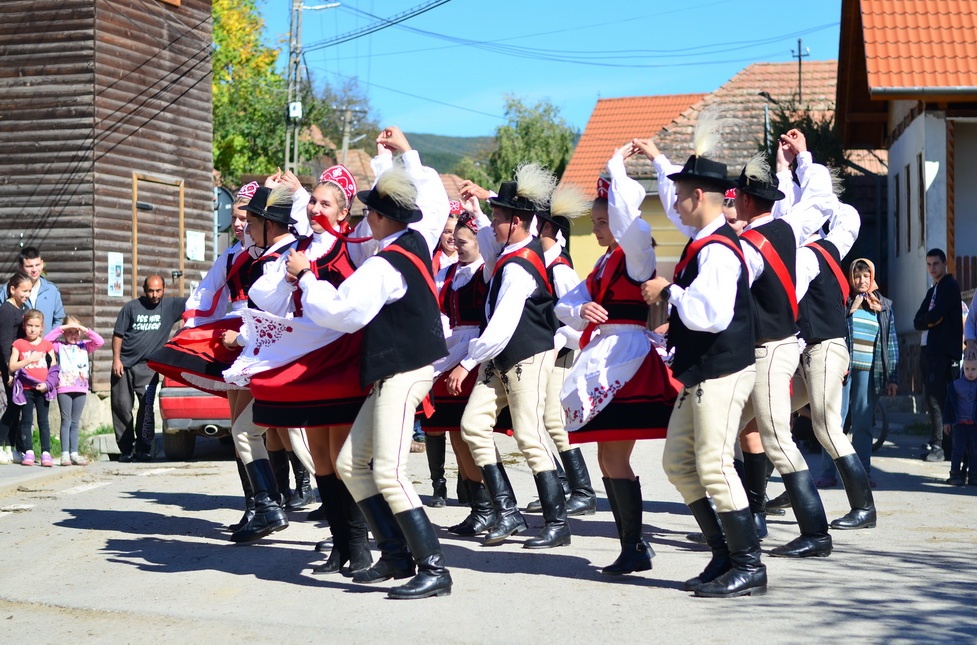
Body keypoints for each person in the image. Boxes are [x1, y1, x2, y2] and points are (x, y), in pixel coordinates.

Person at [293, 127, 453, 599]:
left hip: (403, 373)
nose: (366, 219)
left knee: (389, 471)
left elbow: (343, 312)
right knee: (350, 462)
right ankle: (395, 554)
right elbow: (431, 200)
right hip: (396, 373)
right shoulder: (415, 240)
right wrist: (404, 157)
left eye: (370, 213)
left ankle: (434, 568)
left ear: (381, 219)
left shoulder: (385, 264)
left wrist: (306, 279)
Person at [640, 113, 764, 598]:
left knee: (713, 464)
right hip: (703, 372)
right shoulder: (704, 243)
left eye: (678, 195)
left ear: (697, 196)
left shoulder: (717, 249)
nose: (673, 203)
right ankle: (724, 554)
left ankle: (748, 564)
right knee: (678, 462)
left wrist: (668, 291)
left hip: (722, 370)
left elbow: (711, 316)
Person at [557, 145, 677, 575]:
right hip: (606, 354)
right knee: (607, 458)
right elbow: (565, 304)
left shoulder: (637, 254)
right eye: (594, 222)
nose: (596, 229)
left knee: (615, 457)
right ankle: (632, 545)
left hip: (628, 358)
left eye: (602, 222)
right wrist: (582, 308)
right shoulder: (604, 262)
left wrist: (616, 171)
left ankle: (638, 545)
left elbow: (633, 222)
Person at [451, 163, 571, 550]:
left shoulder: (521, 266)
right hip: (503, 357)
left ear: (517, 222)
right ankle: (507, 512)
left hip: (525, 354)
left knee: (529, 435)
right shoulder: (509, 251)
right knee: (473, 425)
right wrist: (478, 205)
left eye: (499, 218)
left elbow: (502, 324)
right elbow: (489, 240)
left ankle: (557, 522)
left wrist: (467, 361)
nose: (492, 226)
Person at [791, 204, 878, 531]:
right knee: (770, 418)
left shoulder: (813, 253)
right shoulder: (823, 251)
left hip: (823, 349)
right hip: (808, 351)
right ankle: (786, 491)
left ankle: (864, 507)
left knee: (827, 427)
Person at [816, 258, 898, 490]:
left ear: (872, 277)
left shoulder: (883, 306)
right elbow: (832, 330)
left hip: (869, 372)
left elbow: (891, 342)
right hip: (843, 370)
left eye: (866, 276)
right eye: (857, 276)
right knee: (834, 422)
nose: (861, 280)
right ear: (851, 278)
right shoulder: (843, 301)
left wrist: (893, 378)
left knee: (863, 423)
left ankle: (863, 474)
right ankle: (828, 473)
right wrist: (847, 311)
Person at [111, 275, 186, 462]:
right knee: (121, 407)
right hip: (124, 366)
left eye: (158, 290)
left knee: (146, 408)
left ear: (164, 288)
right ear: (144, 290)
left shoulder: (170, 306)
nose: (154, 295)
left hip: (149, 368)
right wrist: (116, 360)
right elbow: (118, 335)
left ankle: (143, 448)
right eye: (151, 291)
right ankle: (126, 449)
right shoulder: (131, 308)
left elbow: (198, 303)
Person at [914, 249, 963, 462]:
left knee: (938, 400)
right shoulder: (933, 289)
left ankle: (940, 446)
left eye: (936, 263)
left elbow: (936, 314)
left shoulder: (949, 286)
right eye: (929, 264)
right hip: (928, 350)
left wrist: (930, 319)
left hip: (943, 353)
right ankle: (942, 446)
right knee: (932, 399)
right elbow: (917, 320)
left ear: (944, 264)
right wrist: (930, 321)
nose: (932, 268)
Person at [44, 316, 104, 466]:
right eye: (69, 332)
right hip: (64, 387)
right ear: (64, 332)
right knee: (66, 420)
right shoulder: (59, 346)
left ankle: (74, 453)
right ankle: (65, 454)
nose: (73, 335)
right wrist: (61, 329)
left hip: (81, 388)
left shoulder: (85, 346)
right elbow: (46, 341)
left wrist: (85, 330)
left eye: (76, 332)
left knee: (75, 422)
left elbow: (100, 341)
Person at [9, 309, 59, 467]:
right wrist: (29, 359)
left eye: (36, 326)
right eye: (30, 325)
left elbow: (54, 369)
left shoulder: (47, 345)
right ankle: (28, 451)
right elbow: (12, 366)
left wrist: (47, 384)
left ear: (42, 327)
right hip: (25, 389)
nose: (33, 329)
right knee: (26, 420)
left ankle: (46, 452)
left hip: (43, 389)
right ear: (24, 325)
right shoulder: (19, 344)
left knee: (43, 421)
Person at [0, 272, 31, 464]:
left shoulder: (24, 308)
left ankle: (10, 448)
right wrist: (9, 370)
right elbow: (4, 342)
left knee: (18, 405)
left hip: (21, 363)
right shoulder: (6, 310)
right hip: (9, 365)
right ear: (12, 289)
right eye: (24, 291)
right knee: (13, 405)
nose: (27, 294)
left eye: (29, 291)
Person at [943, 358, 977, 486]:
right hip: (959, 425)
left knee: (974, 451)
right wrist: (947, 422)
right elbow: (948, 405)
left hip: (974, 425)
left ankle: (973, 476)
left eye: (973, 369)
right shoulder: (956, 385)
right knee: (958, 451)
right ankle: (955, 475)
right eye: (967, 369)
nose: (970, 372)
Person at [18, 247, 64, 335]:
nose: (34, 270)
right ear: (20, 267)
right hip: (19, 343)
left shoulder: (51, 290)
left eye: (37, 265)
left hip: (46, 342)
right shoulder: (9, 290)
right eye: (29, 266)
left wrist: (50, 339)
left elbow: (59, 319)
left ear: (42, 264)